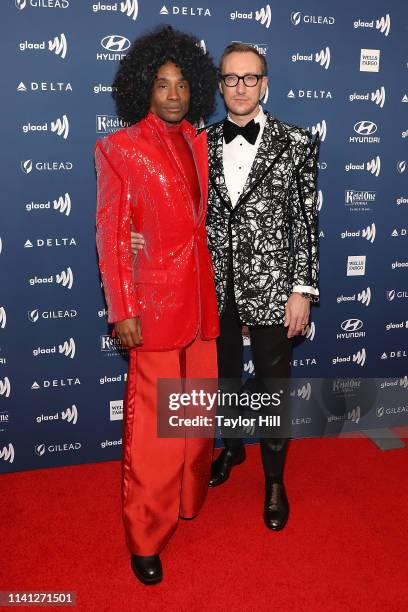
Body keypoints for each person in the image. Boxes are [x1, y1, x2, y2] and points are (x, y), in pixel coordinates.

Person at [132, 42, 319, 532]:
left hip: (275, 290)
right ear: (219, 85)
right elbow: (177, 212)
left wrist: (303, 288)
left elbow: (305, 222)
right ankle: (233, 449)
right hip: (212, 290)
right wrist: (139, 235)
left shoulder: (298, 142)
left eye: (250, 78)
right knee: (226, 382)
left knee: (274, 390)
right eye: (231, 78)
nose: (240, 87)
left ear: (265, 83)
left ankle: (274, 480)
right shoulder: (200, 141)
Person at [95, 25, 219, 585]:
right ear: (144, 88)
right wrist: (123, 308)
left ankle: (188, 502)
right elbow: (110, 234)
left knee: (195, 420)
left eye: (181, 84)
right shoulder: (119, 149)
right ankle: (145, 533)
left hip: (201, 303)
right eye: (161, 84)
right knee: (153, 433)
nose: (173, 93)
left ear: (194, 87)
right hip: (153, 306)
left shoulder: (198, 139)